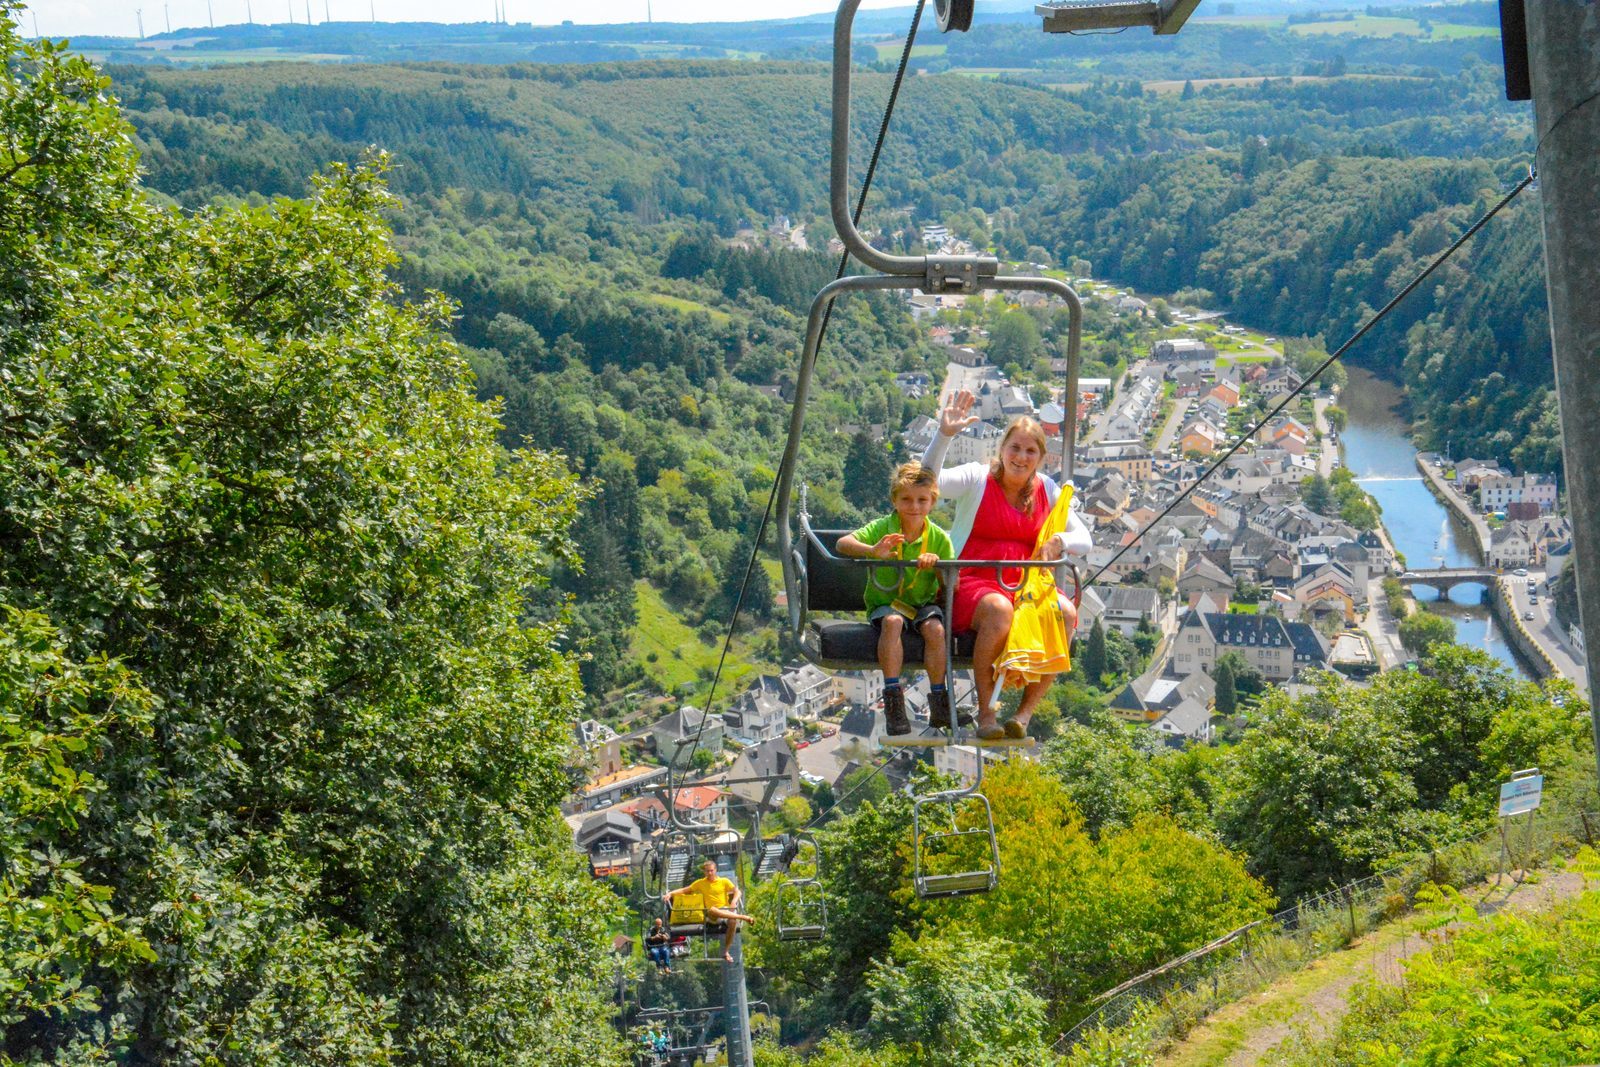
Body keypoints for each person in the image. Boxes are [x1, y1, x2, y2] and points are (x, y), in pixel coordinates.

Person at [922, 390, 1091, 739]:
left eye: (1030, 451)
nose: (1021, 457)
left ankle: (1024, 713)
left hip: (1024, 585)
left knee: (1067, 613)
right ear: (1002, 449)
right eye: (1015, 448)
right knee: (1000, 611)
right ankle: (987, 713)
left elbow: (1084, 539)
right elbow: (928, 482)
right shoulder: (977, 479)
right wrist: (944, 436)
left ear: (1041, 458)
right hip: (971, 580)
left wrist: (1060, 540)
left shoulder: (1046, 488)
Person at [835, 462, 955, 734]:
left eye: (922, 500)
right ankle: (893, 701)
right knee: (892, 622)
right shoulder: (883, 529)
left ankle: (940, 701)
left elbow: (951, 583)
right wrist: (872, 550)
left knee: (935, 629)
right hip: (886, 603)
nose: (914, 507)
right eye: (907, 500)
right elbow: (842, 544)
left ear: (932, 502)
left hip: (921, 605)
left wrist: (937, 568)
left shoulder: (937, 538)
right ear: (895, 501)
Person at [665, 860, 755, 962]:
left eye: (711, 871)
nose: (710, 873)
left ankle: (726, 951)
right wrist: (671, 894)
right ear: (705, 872)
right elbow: (686, 890)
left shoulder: (724, 881)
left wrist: (733, 901)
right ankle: (743, 917)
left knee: (733, 922)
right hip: (712, 916)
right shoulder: (700, 883)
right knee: (712, 909)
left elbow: (737, 891)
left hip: (726, 912)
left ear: (715, 870)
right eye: (707, 871)